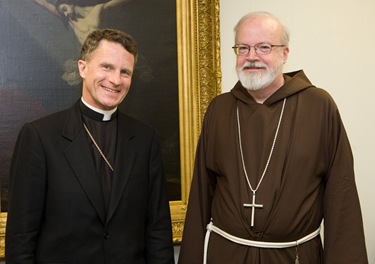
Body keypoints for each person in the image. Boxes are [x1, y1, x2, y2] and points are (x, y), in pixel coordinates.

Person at [178, 11, 368, 264]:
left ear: (285, 53)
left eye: (263, 47)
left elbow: (341, 196)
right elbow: (202, 193)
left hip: (294, 256)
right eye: (243, 48)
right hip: (226, 255)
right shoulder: (220, 109)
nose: (252, 57)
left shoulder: (319, 106)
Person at [6, 28, 175, 264]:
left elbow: (158, 230)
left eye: (125, 72)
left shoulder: (145, 139)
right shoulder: (40, 137)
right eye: (106, 67)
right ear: (83, 68)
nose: (116, 80)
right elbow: (21, 238)